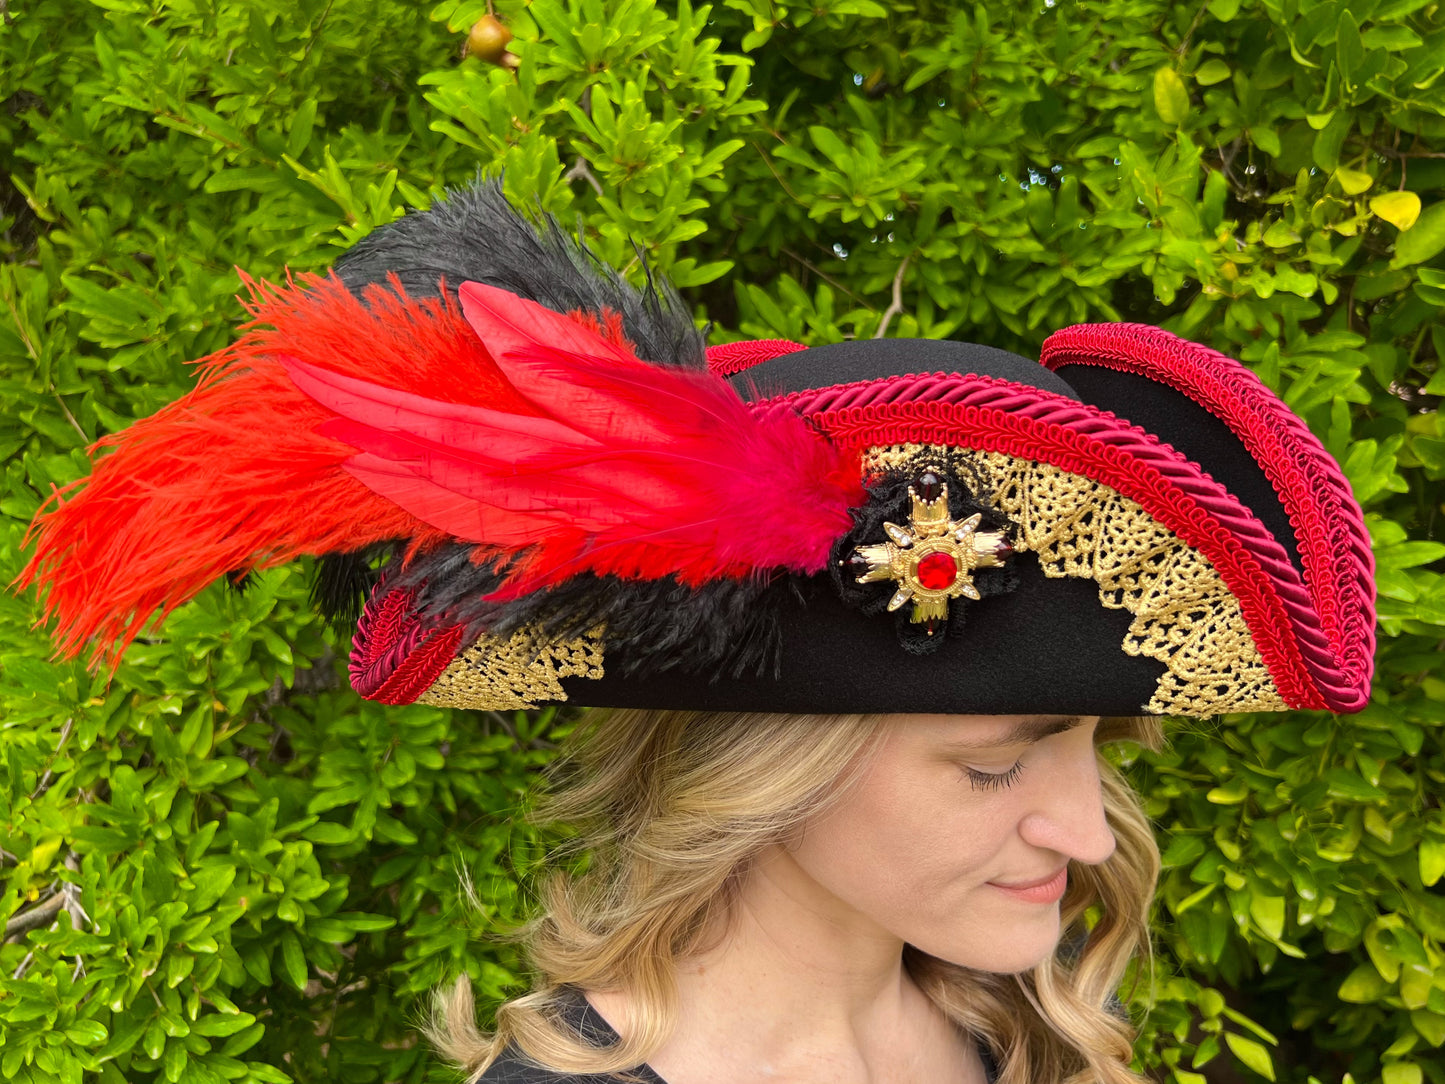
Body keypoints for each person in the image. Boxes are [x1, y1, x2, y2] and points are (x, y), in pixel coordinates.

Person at [22, 183, 1376, 1084]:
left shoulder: (1016, 1028)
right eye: (989, 766)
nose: (1085, 834)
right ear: (765, 767)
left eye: (1082, 744)